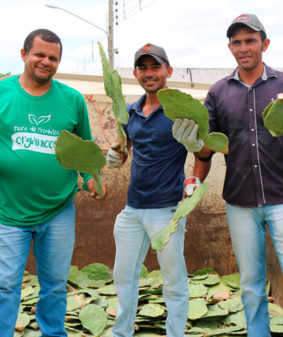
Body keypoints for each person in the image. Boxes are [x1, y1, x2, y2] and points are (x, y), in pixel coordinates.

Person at [171, 13, 283, 337]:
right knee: (252, 287)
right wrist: (193, 155)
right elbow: (207, 150)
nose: (244, 47)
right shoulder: (218, 93)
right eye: (237, 42)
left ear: (264, 44)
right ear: (230, 47)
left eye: (250, 40)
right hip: (239, 202)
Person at [0, 28, 105, 337]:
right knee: (4, 286)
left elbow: (85, 148)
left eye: (54, 58)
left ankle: (53, 334)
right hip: (8, 211)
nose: (46, 62)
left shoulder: (72, 100)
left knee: (54, 286)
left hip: (59, 210)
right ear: (24, 54)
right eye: (40, 54)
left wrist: (91, 178)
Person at [106, 43, 210, 337]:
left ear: (168, 71)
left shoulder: (181, 111)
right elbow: (123, 149)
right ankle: (121, 332)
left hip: (166, 212)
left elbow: (204, 153)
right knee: (124, 278)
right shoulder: (130, 112)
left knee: (174, 281)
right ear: (136, 73)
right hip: (132, 209)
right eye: (144, 68)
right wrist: (115, 156)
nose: (150, 73)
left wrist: (195, 161)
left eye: (156, 67)